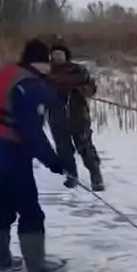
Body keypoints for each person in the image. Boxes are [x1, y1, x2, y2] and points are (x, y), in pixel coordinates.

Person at [0, 38, 73, 272]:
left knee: (1, 207)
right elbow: (32, 132)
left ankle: (1, 262)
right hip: (10, 158)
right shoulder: (30, 85)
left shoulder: (3, 74)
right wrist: (54, 162)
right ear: (43, 63)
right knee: (31, 212)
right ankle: (37, 268)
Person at [45, 40, 104, 191]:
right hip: (57, 116)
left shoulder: (78, 70)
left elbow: (91, 87)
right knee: (63, 148)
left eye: (60, 53)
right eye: (55, 54)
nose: (57, 56)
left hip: (78, 114)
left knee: (84, 145)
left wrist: (80, 91)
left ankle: (96, 176)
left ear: (66, 55)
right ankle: (71, 176)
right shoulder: (46, 72)